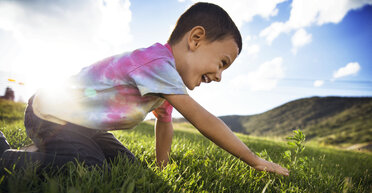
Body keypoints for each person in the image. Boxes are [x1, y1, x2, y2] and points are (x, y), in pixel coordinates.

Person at [0, 2, 289, 176]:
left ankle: (47, 150)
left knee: (128, 168)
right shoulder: (156, 64)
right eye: (222, 63)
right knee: (88, 167)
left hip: (83, 127)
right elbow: (201, 119)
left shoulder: (165, 83)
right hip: (50, 116)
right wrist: (253, 159)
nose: (219, 76)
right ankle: (7, 155)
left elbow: (165, 125)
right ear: (196, 38)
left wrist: (162, 166)